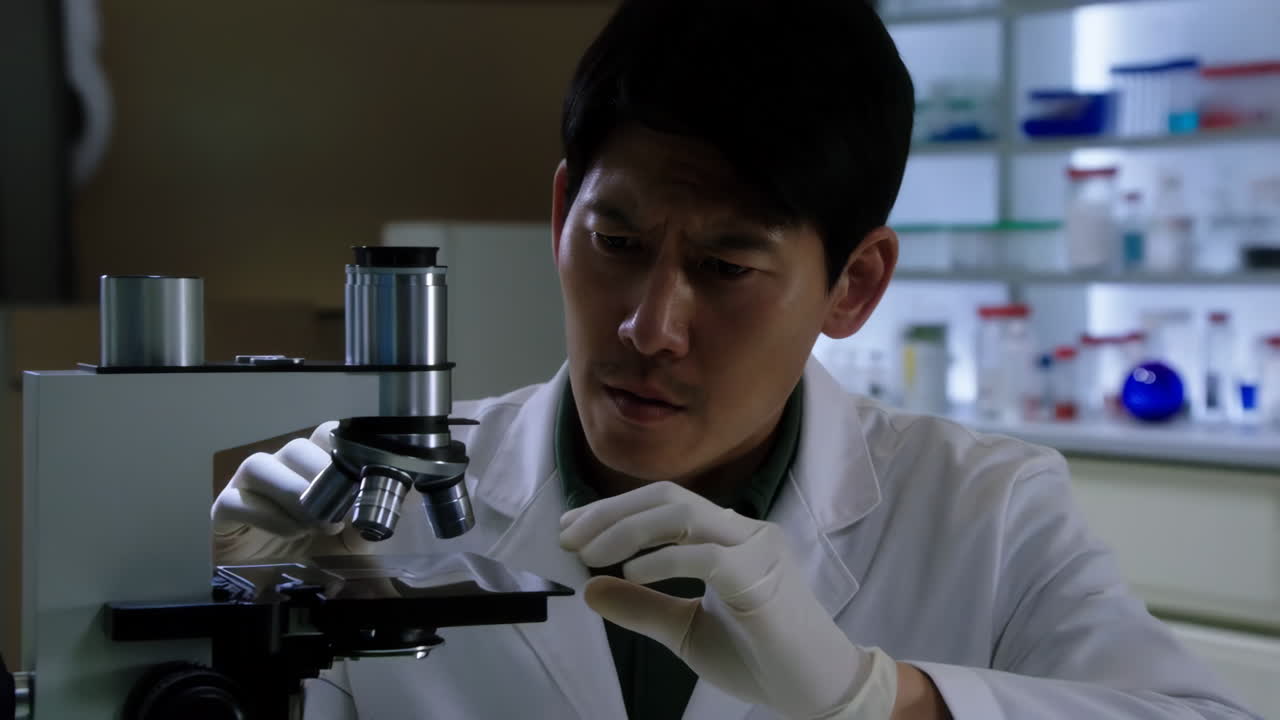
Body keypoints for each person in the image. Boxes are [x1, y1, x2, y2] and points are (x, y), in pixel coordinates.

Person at [213, 1, 1259, 718]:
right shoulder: (376, 507)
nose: (648, 326)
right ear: (558, 213)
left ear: (852, 285)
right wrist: (201, 638)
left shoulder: (982, 511)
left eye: (723, 266)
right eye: (615, 245)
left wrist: (867, 698)